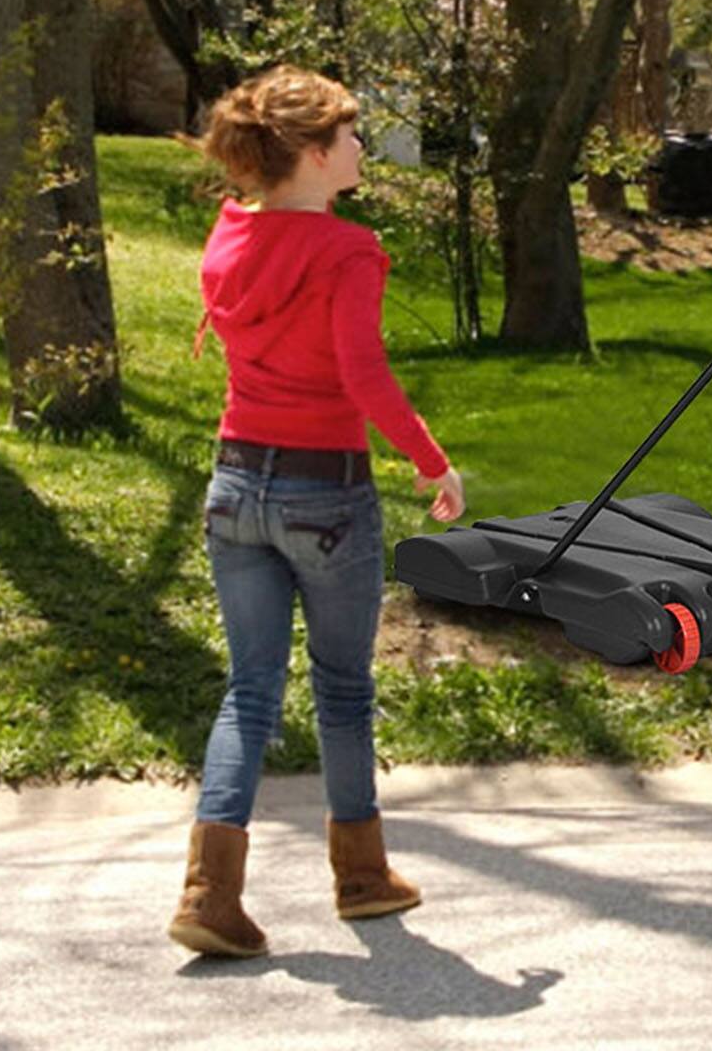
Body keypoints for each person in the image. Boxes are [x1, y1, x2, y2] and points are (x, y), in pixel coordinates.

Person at [167, 67, 465, 957]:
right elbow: (361, 375)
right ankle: (362, 878)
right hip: (323, 493)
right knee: (341, 689)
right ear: (313, 154)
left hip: (234, 488)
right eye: (351, 135)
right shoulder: (345, 251)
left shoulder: (230, 235)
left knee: (249, 691)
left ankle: (208, 895)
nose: (362, 148)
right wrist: (434, 463)